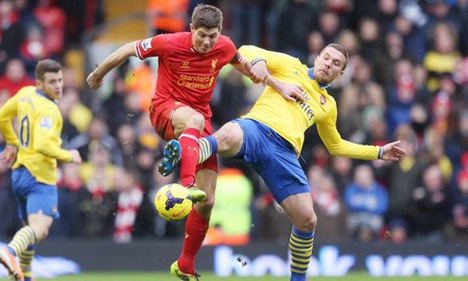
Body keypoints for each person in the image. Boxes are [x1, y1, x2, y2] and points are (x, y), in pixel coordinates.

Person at [161, 43, 406, 281]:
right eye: (326, 58)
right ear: (317, 57)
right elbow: (246, 51)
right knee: (227, 135)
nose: (328, 64)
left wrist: (378, 152)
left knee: (307, 219)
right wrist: (257, 64)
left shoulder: (328, 105)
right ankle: (184, 152)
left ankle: (298, 279)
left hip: (284, 154)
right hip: (256, 128)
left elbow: (335, 145)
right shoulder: (291, 65)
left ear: (341, 74)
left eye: (336, 64)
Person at [86, 4, 295, 281]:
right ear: (192, 29)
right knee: (194, 123)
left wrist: (279, 87)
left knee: (207, 201)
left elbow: (248, 69)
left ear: (219, 32)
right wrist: (99, 74)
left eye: (212, 35)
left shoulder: (224, 47)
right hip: (166, 111)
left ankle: (185, 264)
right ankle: (186, 184)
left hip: (199, 128)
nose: (207, 42)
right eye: (202, 35)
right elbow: (127, 49)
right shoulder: (169, 42)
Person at [0, 59, 82, 281]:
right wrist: (68, 155)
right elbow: (43, 144)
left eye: (60, 80)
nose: (58, 86)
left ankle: (26, 276)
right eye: (52, 82)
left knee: (29, 231)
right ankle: (9, 252)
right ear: (40, 84)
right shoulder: (50, 110)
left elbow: (0, 117)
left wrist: (12, 142)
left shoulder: (25, 93)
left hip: (20, 175)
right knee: (40, 229)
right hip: (40, 177)